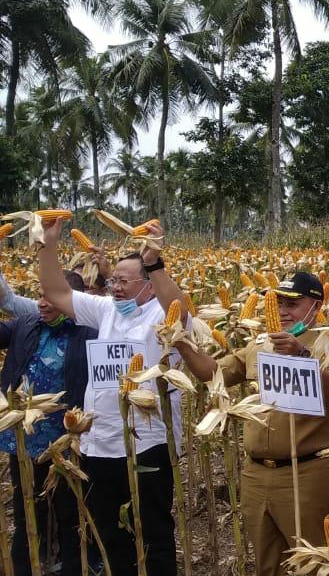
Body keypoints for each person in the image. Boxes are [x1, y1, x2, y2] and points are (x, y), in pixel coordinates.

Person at [36, 216, 186, 576]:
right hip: (98, 444)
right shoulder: (106, 310)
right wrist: (48, 243)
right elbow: (57, 292)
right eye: (113, 280)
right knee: (112, 535)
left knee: (154, 538)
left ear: (148, 285)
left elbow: (181, 308)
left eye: (124, 281)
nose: (114, 287)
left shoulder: (163, 313)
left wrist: (155, 261)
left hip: (147, 445)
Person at [173, 271, 329, 576]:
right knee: (268, 564)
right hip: (255, 473)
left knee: (313, 564)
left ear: (315, 306)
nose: (282, 310)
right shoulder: (259, 345)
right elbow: (213, 373)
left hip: (305, 473)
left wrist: (300, 355)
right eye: (277, 301)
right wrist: (181, 343)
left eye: (292, 303)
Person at [0, 270, 98, 576]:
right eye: (39, 295)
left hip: (68, 441)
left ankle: (74, 567)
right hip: (24, 438)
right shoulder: (26, 324)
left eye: (49, 297)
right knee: (27, 508)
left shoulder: (90, 332)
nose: (41, 303)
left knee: (71, 512)